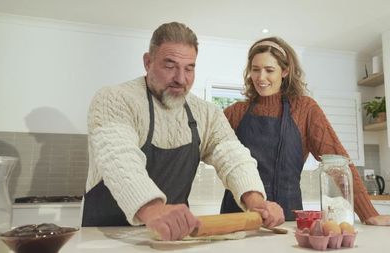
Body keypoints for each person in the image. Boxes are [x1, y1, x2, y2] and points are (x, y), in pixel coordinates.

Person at [82, 22, 284, 240]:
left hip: (173, 239)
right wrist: (152, 209)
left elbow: (233, 157)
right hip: (105, 238)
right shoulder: (115, 99)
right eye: (170, 66)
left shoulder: (206, 113)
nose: (181, 78)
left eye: (189, 68)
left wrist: (257, 203)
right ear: (148, 62)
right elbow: (118, 158)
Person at [220, 36, 390, 226]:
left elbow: (338, 163)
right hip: (236, 219)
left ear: (285, 71)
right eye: (255, 70)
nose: (261, 78)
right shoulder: (235, 113)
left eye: (269, 70)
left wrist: (369, 214)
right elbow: (206, 147)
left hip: (285, 220)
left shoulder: (305, 110)